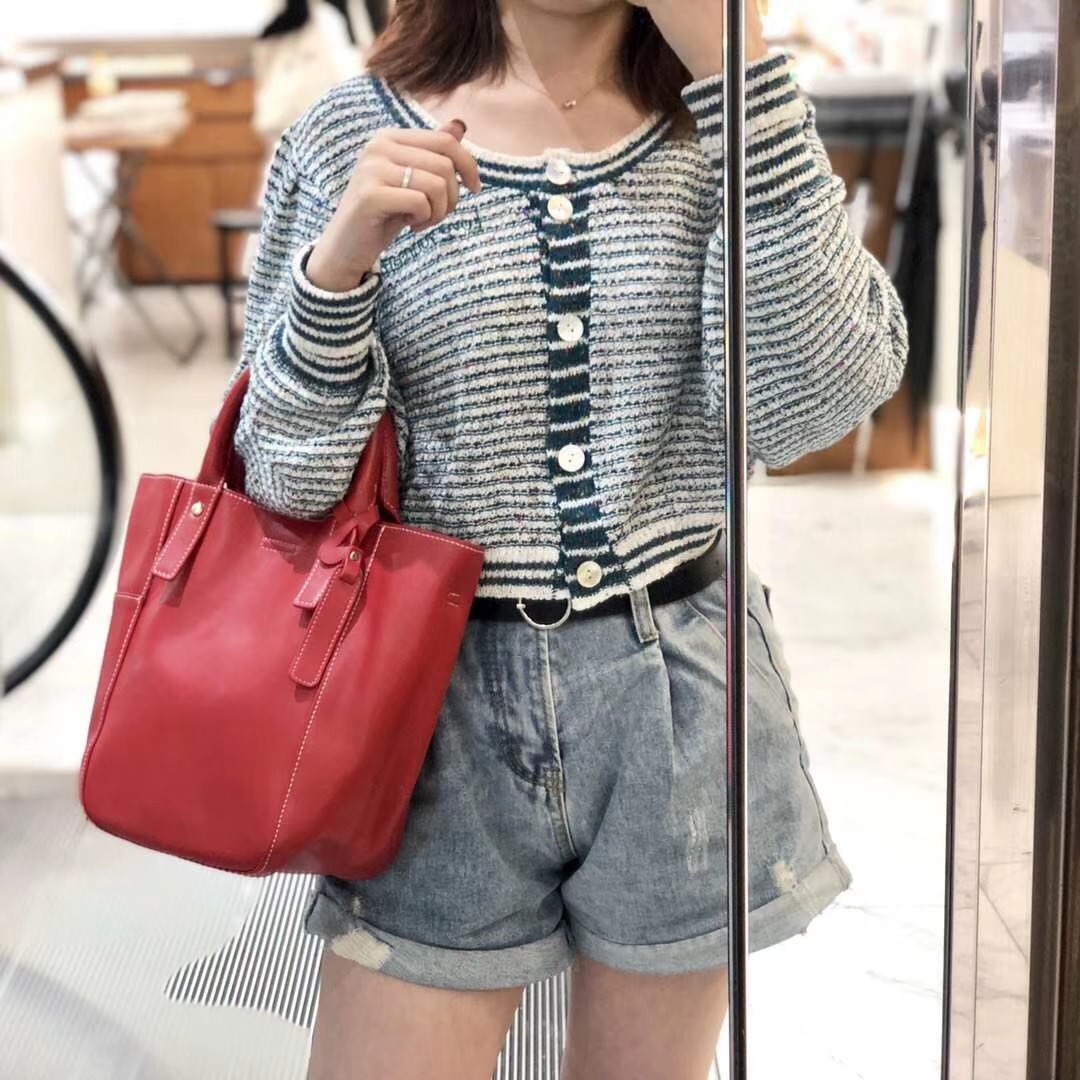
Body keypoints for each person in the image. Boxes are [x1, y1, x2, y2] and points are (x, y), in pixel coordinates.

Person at [224, 1, 909, 1076]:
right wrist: (336, 272)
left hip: (679, 711)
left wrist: (741, 77)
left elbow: (806, 408)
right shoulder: (348, 134)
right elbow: (285, 479)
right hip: (430, 719)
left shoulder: (724, 127)